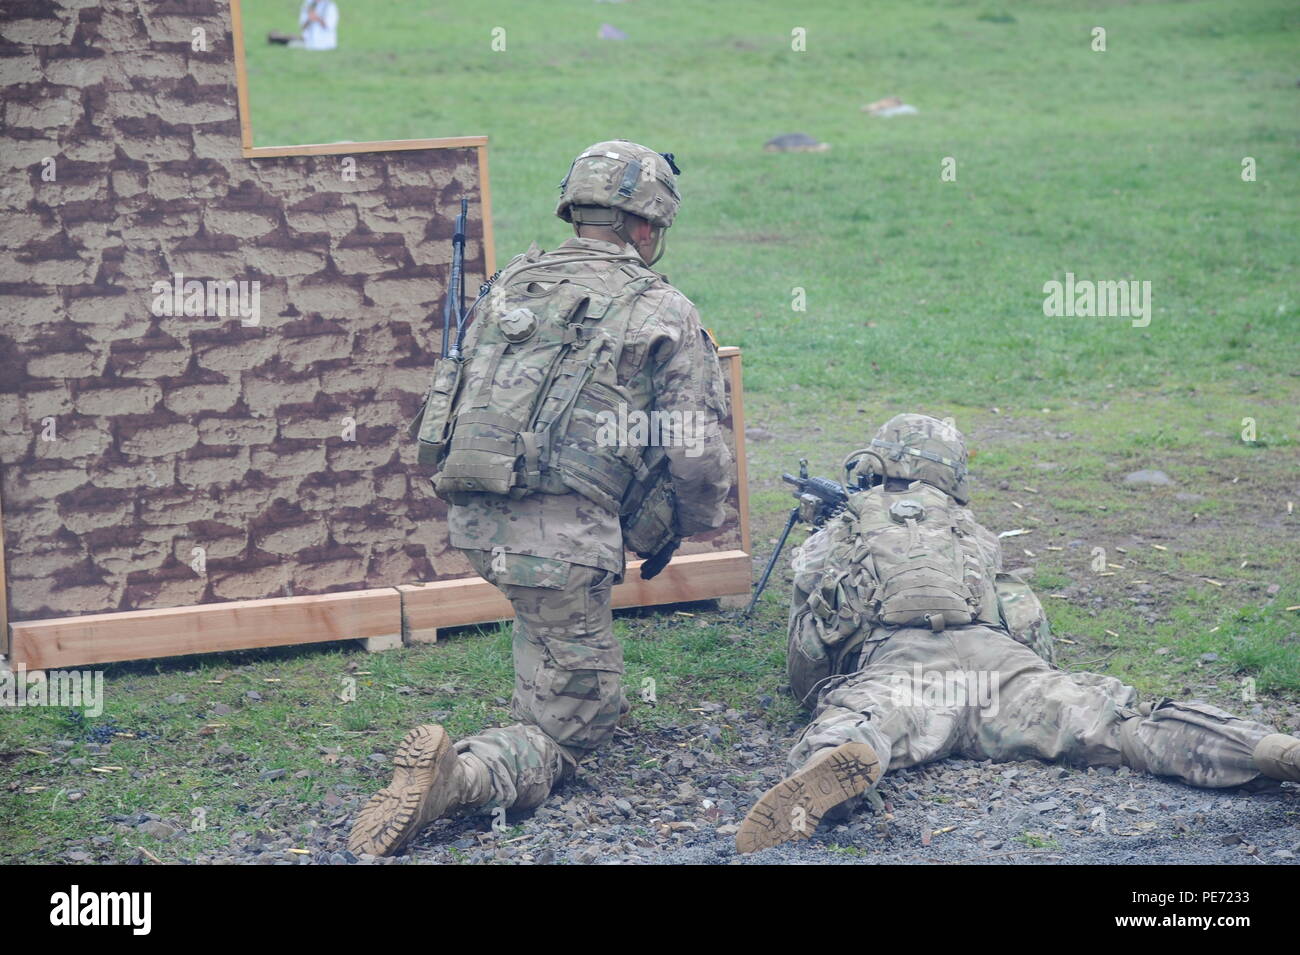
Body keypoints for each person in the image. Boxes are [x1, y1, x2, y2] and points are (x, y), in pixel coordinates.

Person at [349, 141, 733, 856]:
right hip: (558, 540)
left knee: (551, 622)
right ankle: (458, 778)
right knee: (579, 721)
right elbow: (696, 449)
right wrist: (698, 520)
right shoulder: (663, 308)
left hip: (476, 515)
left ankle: (544, 680)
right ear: (646, 227)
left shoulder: (511, 282)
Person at [736, 413, 1300, 853]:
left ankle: (838, 764)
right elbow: (1021, 614)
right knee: (1122, 726)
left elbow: (810, 652)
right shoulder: (970, 531)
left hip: (904, 667)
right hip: (1002, 667)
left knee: (865, 722)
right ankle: (1265, 750)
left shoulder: (840, 531)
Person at [267, 0, 339, 51]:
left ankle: (275, 37)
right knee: (293, 40)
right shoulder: (308, 3)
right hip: (309, 41)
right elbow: (303, 26)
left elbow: (329, 26)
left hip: (326, 44)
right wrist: (309, 19)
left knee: (292, 42)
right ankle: (275, 37)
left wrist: (317, 18)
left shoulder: (330, 6)